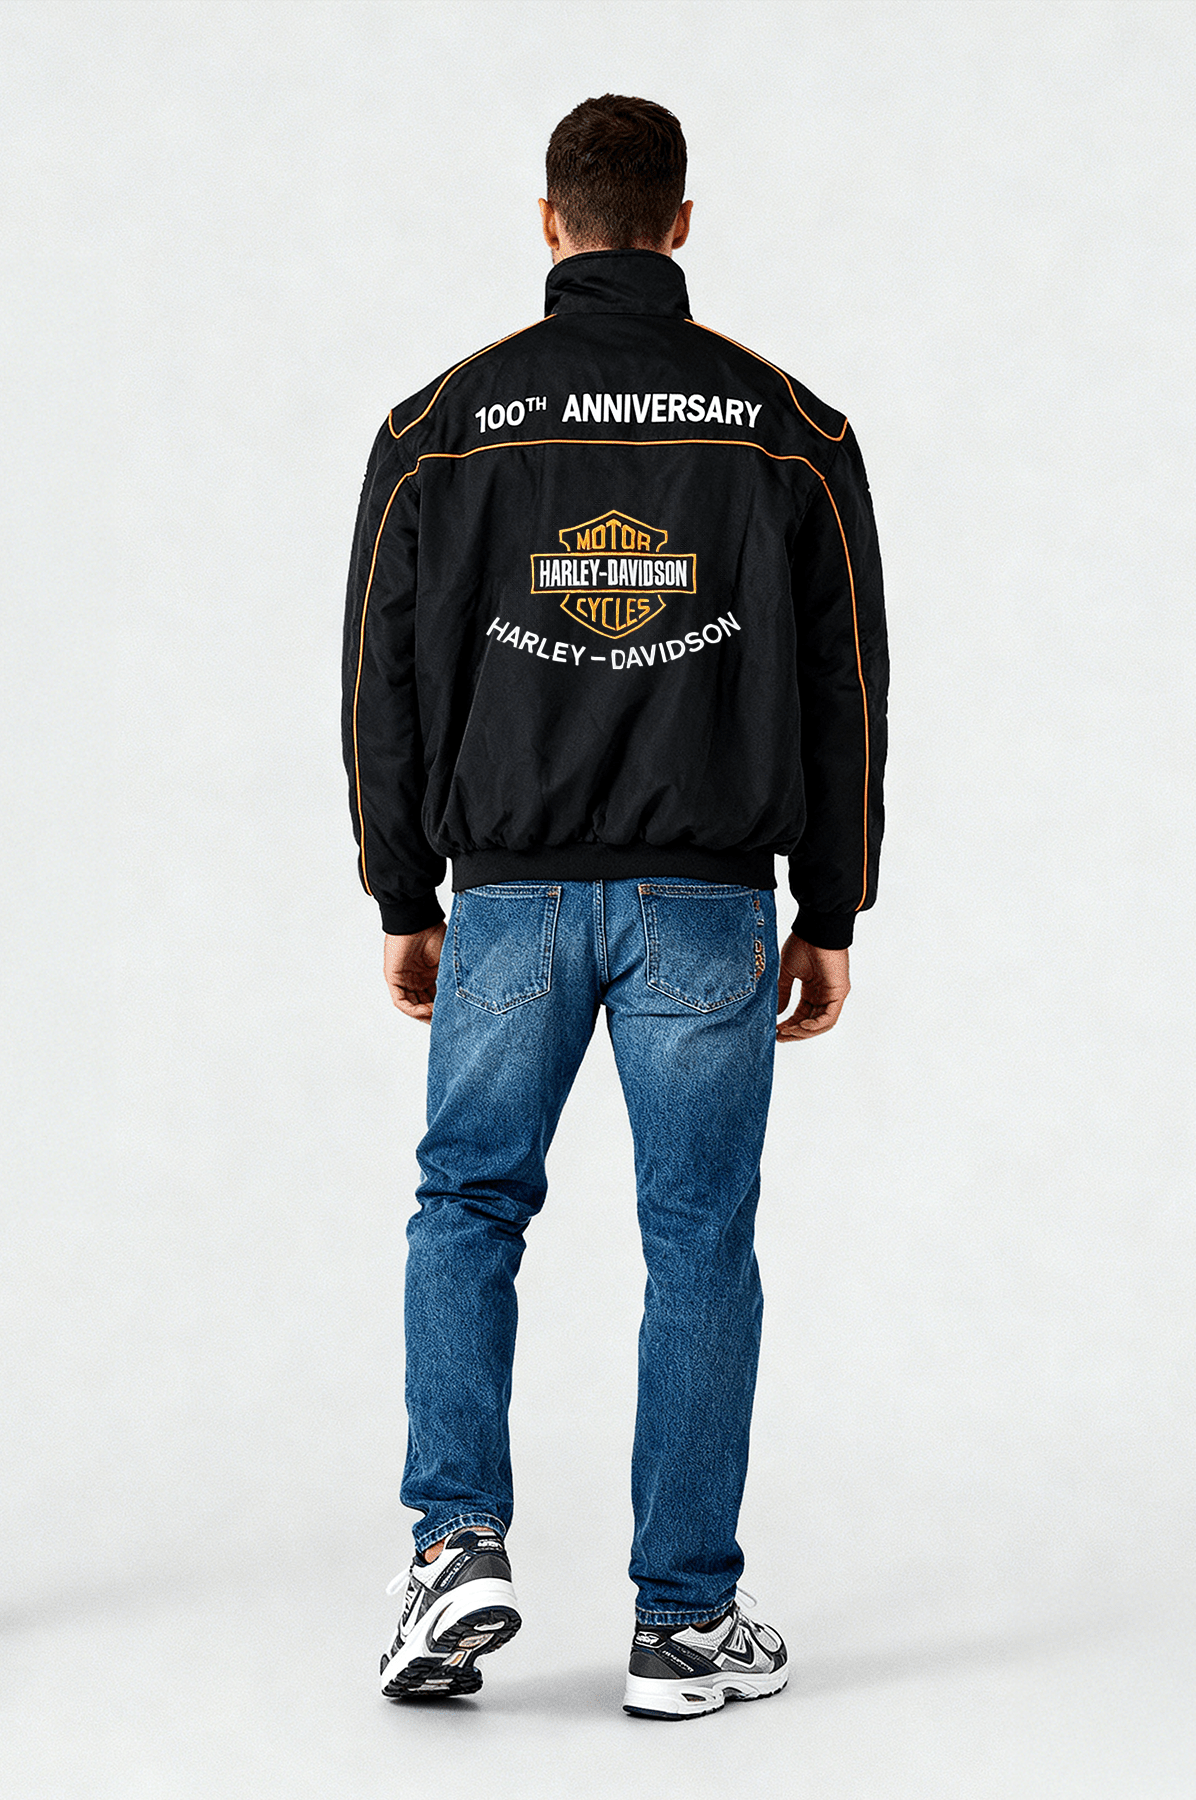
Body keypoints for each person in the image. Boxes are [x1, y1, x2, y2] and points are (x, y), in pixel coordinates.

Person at [342, 93, 887, 1719]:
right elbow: (849, 690)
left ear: (550, 220)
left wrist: (402, 889)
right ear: (682, 222)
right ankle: (683, 1623)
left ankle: (455, 1549)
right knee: (699, 1237)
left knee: (468, 1207)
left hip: (507, 898)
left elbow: (382, 677)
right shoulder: (789, 427)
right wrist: (834, 907)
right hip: (706, 906)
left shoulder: (440, 423)